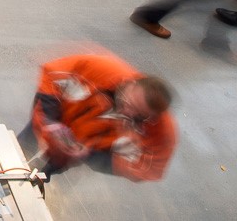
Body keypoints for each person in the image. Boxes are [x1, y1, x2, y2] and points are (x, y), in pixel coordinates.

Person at [31, 53, 176, 182]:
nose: (128, 113)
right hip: (54, 116)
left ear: (153, 116)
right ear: (130, 84)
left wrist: (88, 156)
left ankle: (39, 178)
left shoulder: (161, 134)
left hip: (80, 148)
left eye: (139, 115)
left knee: (45, 171)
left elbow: (147, 170)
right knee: (22, 148)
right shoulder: (101, 69)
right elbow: (52, 75)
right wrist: (49, 122)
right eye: (128, 103)